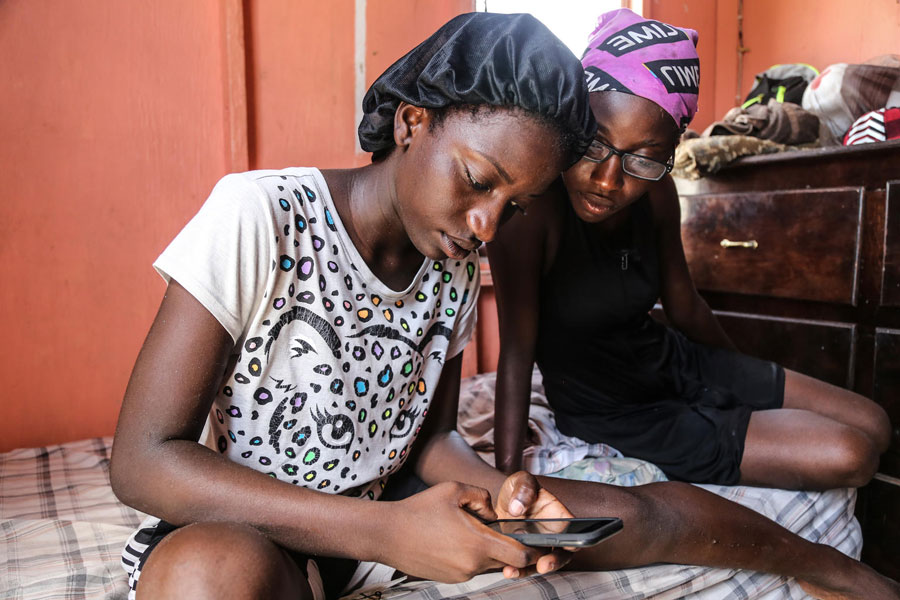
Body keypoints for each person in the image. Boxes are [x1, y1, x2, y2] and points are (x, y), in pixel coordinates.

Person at [110, 11, 899, 600]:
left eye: (515, 205)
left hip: (395, 510)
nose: (489, 225)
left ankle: (834, 571)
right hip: (263, 526)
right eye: (478, 180)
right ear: (413, 123)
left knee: (640, 514)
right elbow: (144, 460)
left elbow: (430, 440)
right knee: (210, 575)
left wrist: (501, 486)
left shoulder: (450, 262)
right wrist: (384, 532)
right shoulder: (260, 215)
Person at [489, 8, 891, 491]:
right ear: (571, 124)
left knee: (875, 423)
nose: (608, 180)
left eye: (643, 158)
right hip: (621, 414)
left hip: (676, 364)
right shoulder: (531, 212)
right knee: (852, 453)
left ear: (669, 154)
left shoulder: (658, 192)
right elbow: (516, 351)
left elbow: (685, 306)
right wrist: (505, 477)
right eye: (594, 144)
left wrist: (743, 379)